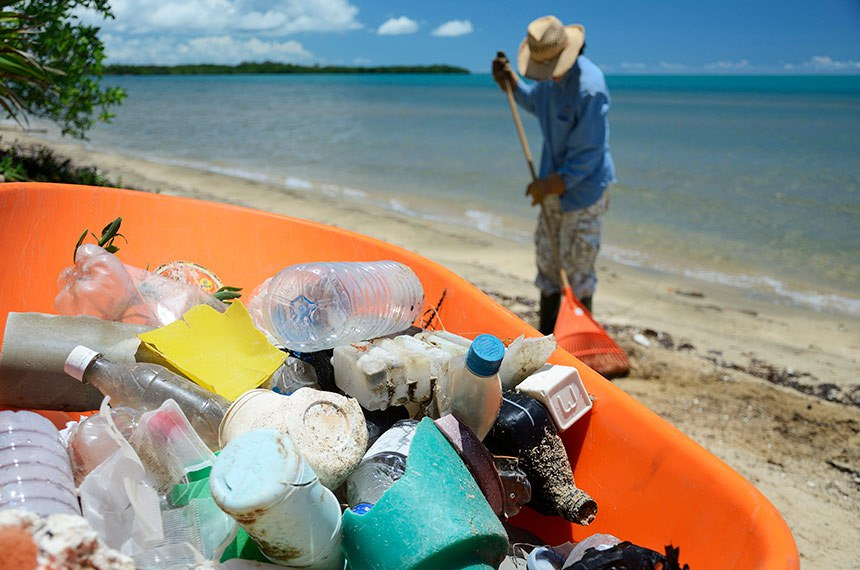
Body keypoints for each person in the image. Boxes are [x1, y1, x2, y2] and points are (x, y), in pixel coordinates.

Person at [492, 15, 616, 335]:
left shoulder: (590, 88)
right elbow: (536, 102)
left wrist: (548, 184)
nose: (545, 76)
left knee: (577, 269)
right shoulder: (548, 82)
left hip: (583, 193)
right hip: (551, 187)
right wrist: (511, 84)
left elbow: (588, 155)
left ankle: (578, 338)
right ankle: (547, 335)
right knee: (548, 263)